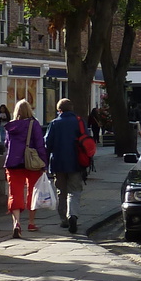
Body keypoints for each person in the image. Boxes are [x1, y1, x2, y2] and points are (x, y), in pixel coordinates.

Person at [0, 99, 48, 238]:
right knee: (33, 192)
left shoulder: (11, 126)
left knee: (15, 193)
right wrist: (44, 163)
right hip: (31, 163)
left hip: (13, 163)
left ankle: (16, 223)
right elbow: (40, 145)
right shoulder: (34, 124)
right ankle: (31, 223)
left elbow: (7, 144)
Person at [43, 98, 88, 234]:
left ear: (59, 110)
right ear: (72, 108)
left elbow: (47, 144)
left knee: (61, 192)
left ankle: (64, 219)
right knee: (74, 191)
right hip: (76, 162)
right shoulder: (79, 122)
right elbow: (87, 141)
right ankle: (72, 215)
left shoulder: (54, 123)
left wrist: (45, 163)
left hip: (58, 163)